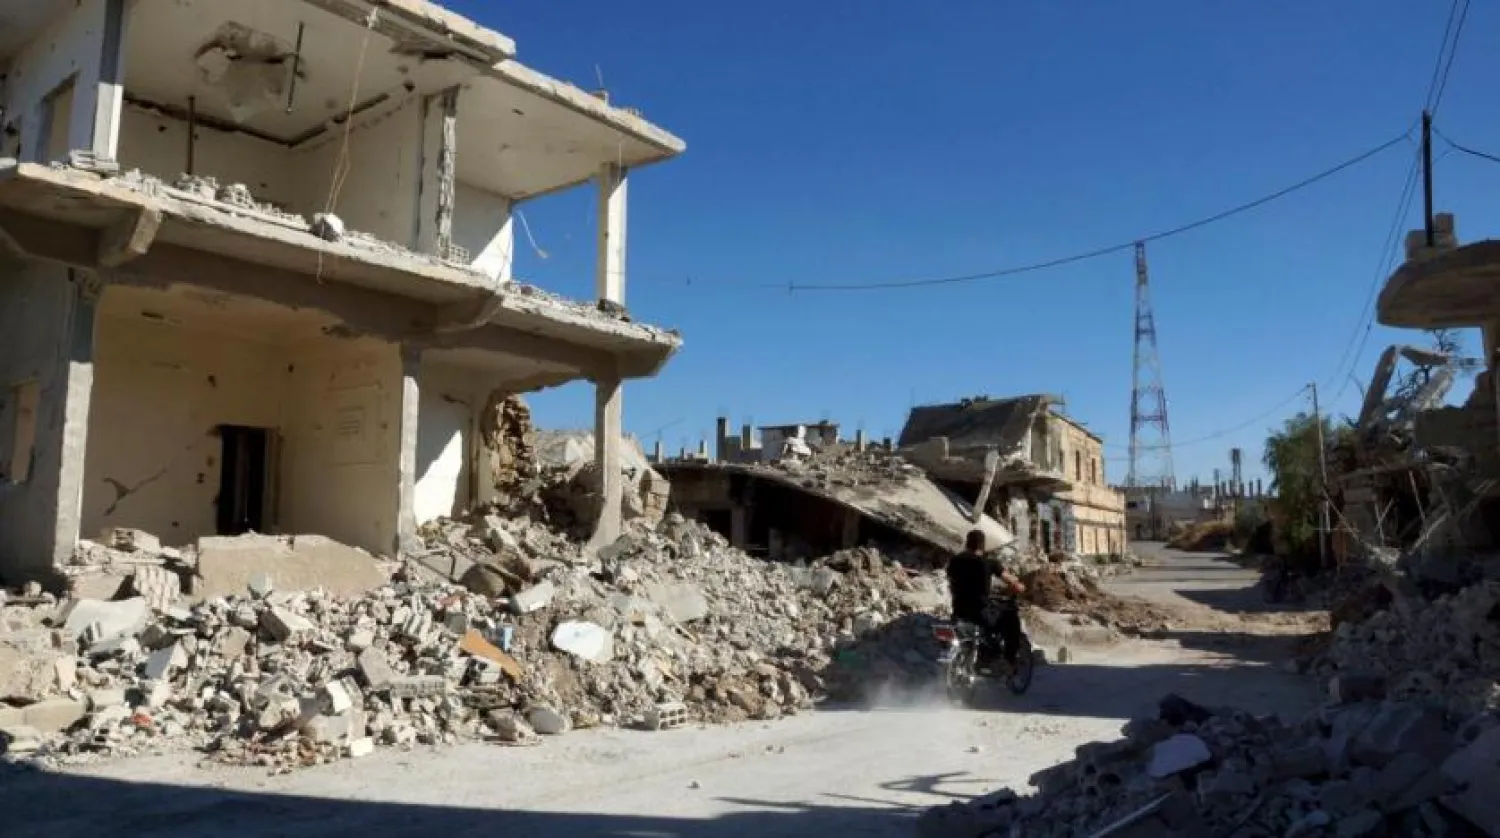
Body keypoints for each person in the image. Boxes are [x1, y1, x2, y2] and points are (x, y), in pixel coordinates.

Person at [944, 529, 1026, 666]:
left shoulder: (955, 561)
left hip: (959, 610)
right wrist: (1019, 586)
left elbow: (952, 580)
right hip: (980, 611)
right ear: (983, 545)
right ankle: (1009, 661)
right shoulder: (989, 562)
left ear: (967, 543)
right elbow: (1011, 581)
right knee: (1011, 619)